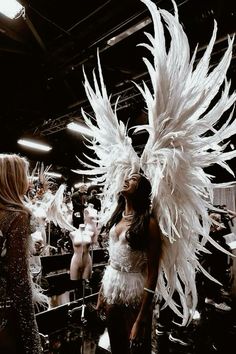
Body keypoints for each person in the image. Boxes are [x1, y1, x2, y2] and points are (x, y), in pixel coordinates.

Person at [96, 172, 162, 354]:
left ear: (141, 190)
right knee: (116, 345)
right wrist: (102, 292)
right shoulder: (117, 218)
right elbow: (112, 259)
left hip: (134, 293)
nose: (126, 180)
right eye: (127, 177)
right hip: (112, 288)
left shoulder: (149, 224)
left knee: (137, 348)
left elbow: (153, 272)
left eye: (133, 179)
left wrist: (141, 318)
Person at [0, 154, 42, 354]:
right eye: (25, 175)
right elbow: (18, 276)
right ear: (14, 179)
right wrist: (30, 331)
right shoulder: (17, 216)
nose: (29, 180)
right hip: (6, 306)